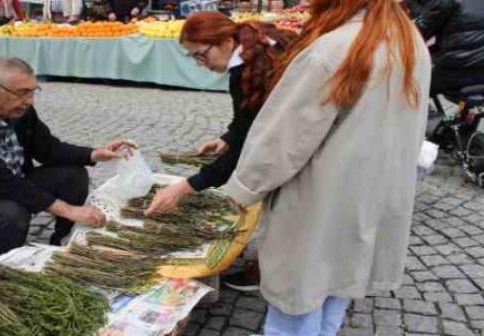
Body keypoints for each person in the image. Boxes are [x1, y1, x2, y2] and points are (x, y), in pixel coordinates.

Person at [221, 0, 430, 333]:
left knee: (297, 305)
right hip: (369, 196)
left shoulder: (335, 48)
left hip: (321, 199)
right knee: (334, 292)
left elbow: (284, 137)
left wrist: (242, 189)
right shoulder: (408, 39)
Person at [0, 57, 134, 258]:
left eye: (33, 92)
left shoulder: (19, 110)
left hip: (7, 186)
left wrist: (95, 153)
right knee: (12, 213)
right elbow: (3, 183)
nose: (29, 101)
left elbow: (49, 149)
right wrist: (71, 210)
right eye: (22, 93)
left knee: (73, 174)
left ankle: (63, 240)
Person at [144, 12, 297, 292]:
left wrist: (187, 187)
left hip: (299, 150)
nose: (200, 64)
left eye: (201, 55)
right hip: (291, 142)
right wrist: (226, 138)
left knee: (289, 208)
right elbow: (248, 120)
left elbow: (250, 147)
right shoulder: (249, 57)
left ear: (226, 41)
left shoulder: (251, 68)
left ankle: (279, 275)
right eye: (193, 57)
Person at [411, 0, 484, 95]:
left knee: (412, 85)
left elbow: (418, 34)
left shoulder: (444, 2)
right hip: (479, 64)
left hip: (460, 68)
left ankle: (425, 109)